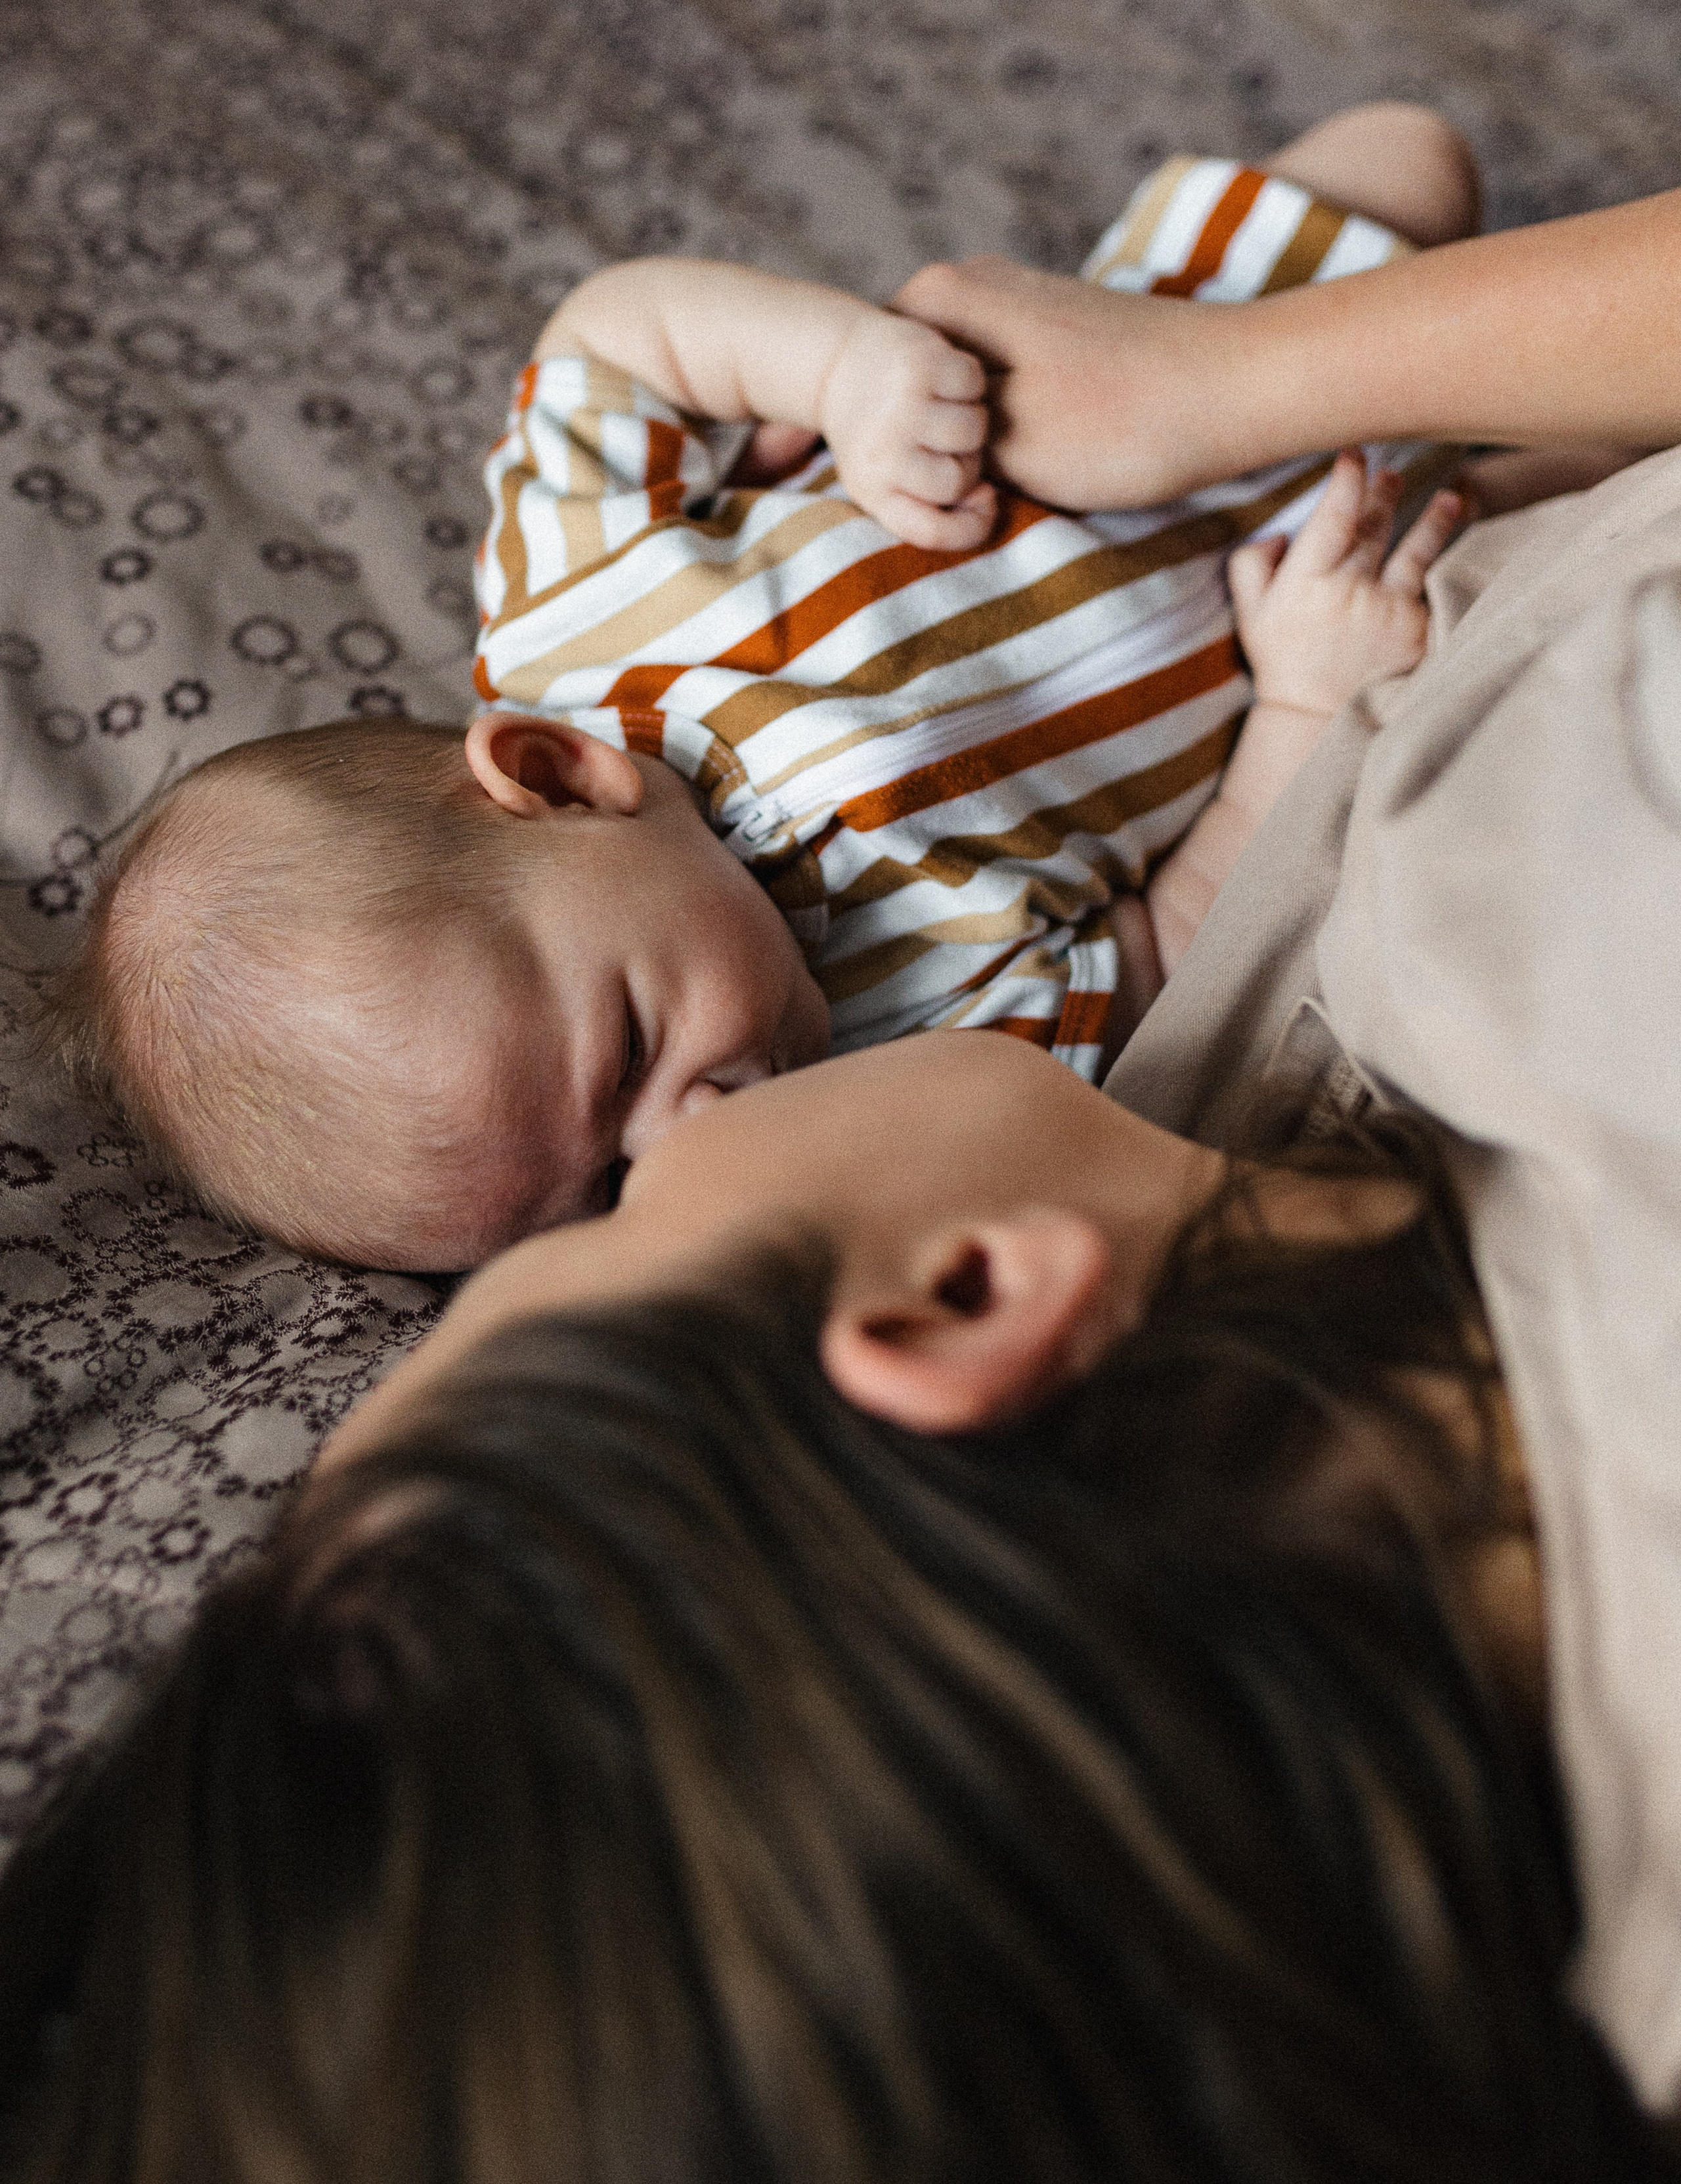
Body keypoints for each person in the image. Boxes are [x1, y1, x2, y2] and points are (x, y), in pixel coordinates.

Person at [10, 106, 1681, 2183]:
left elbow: (621, 362)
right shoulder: (1580, 847)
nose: (686, 1132)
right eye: (564, 1241)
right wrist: (1233, 390)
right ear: (962, 1293)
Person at [34, 108, 1487, 1273]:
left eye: (629, 1058)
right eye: (606, 1193)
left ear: (551, 777)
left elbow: (613, 342)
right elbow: (1168, 947)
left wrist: (847, 372)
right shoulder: (906, 1041)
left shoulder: (583, 619)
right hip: (1336, 585)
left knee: (1402, 156)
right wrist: (1301, 708)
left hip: (1142, 367)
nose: (690, 1142)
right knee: (1574, 505)